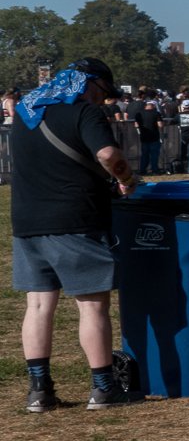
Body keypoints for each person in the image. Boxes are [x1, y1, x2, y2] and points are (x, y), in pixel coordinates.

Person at [11, 60, 139, 412]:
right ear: (89, 84)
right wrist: (127, 180)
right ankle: (103, 388)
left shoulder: (26, 111)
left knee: (37, 305)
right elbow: (108, 154)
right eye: (102, 93)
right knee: (92, 305)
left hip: (26, 222)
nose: (103, 101)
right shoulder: (84, 113)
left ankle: (39, 391)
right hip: (75, 219)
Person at [132, 89, 163, 176]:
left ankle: (142, 170)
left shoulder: (139, 114)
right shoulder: (156, 113)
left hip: (144, 136)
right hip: (154, 136)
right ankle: (154, 170)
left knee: (144, 155)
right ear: (152, 106)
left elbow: (136, 125)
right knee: (154, 155)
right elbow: (160, 125)